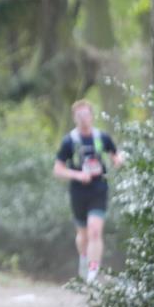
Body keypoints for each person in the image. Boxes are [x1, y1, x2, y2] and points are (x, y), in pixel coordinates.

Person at [53, 100, 124, 283]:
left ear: (92, 116)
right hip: (78, 192)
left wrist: (119, 160)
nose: (84, 119)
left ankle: (93, 272)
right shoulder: (70, 141)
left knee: (94, 231)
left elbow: (116, 156)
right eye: (79, 116)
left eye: (86, 115)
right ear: (74, 118)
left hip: (99, 189)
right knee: (83, 234)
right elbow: (58, 169)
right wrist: (77, 175)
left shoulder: (102, 138)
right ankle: (84, 259)